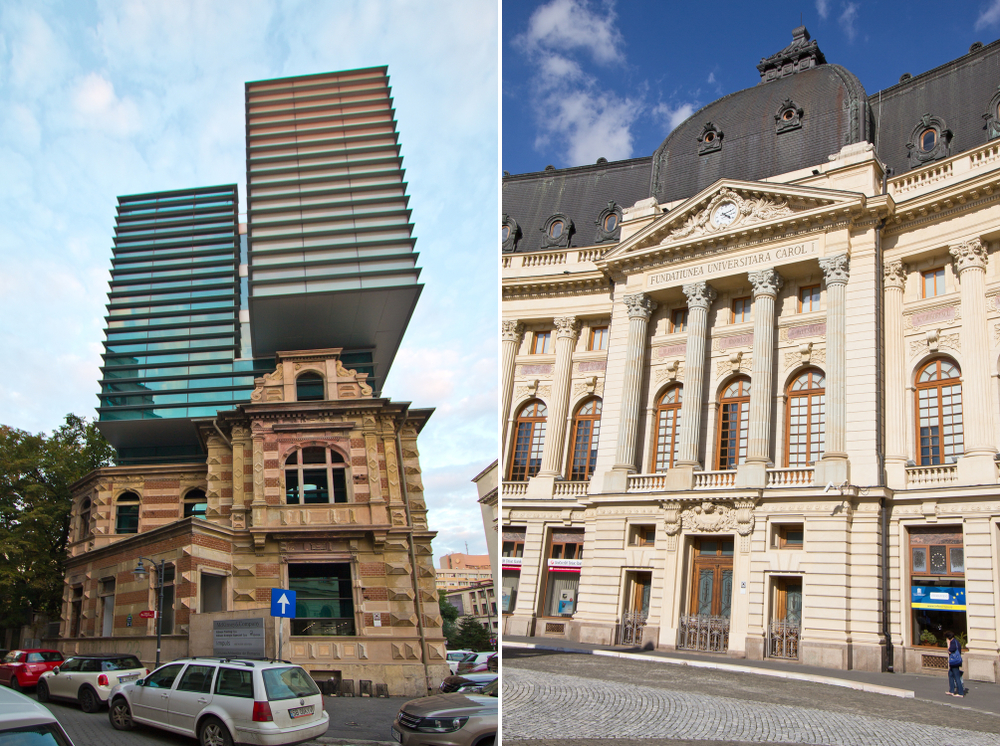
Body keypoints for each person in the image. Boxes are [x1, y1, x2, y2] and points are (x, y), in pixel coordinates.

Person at [945, 630, 965, 697]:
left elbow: (950, 651)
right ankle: (951, 690)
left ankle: (960, 692)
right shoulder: (956, 642)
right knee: (950, 674)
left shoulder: (953, 642)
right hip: (955, 662)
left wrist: (948, 644)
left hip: (954, 662)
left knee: (956, 677)